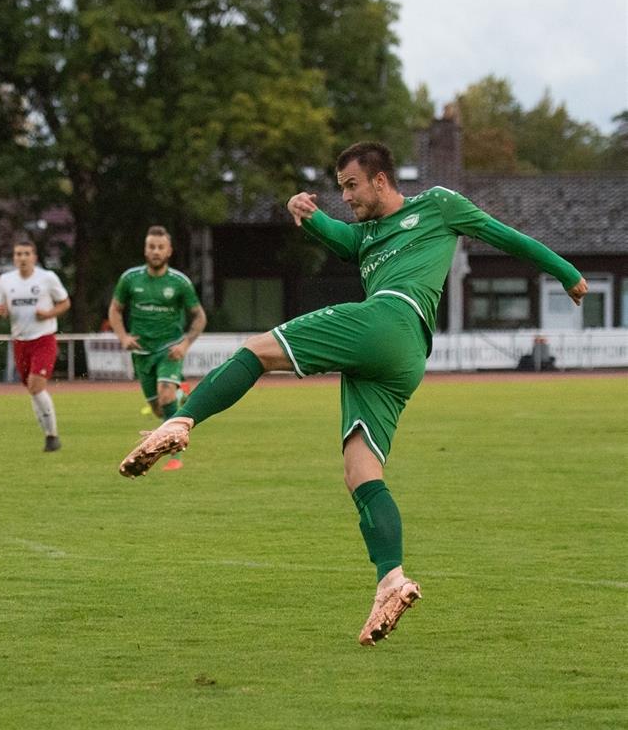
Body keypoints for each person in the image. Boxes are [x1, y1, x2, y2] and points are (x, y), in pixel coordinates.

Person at [119, 141, 587, 646]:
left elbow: (506, 237)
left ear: (380, 180)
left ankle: (180, 421)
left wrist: (568, 274)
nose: (345, 196)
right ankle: (392, 580)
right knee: (360, 471)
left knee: (256, 351)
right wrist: (307, 213)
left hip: (389, 319)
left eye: (351, 185)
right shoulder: (365, 236)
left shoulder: (440, 204)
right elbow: (343, 238)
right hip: (404, 360)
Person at [107, 226, 206, 471]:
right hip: (141, 352)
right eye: (151, 246)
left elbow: (199, 317)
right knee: (157, 407)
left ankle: (175, 456)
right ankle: (180, 393)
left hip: (169, 349)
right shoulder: (130, 279)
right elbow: (115, 310)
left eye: (161, 247)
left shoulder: (179, 282)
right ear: (145, 249)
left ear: (169, 251)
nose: (156, 251)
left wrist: (184, 344)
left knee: (165, 396)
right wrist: (123, 337)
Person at [0, 240, 70, 451]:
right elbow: (1, 308)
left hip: (43, 339)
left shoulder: (47, 278)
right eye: (18, 254)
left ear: (34, 257)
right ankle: (49, 435)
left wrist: (48, 313)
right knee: (33, 390)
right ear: (14, 258)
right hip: (20, 341)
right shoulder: (6, 280)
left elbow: (65, 302)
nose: (22, 258)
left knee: (36, 385)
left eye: (27, 253)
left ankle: (53, 436)